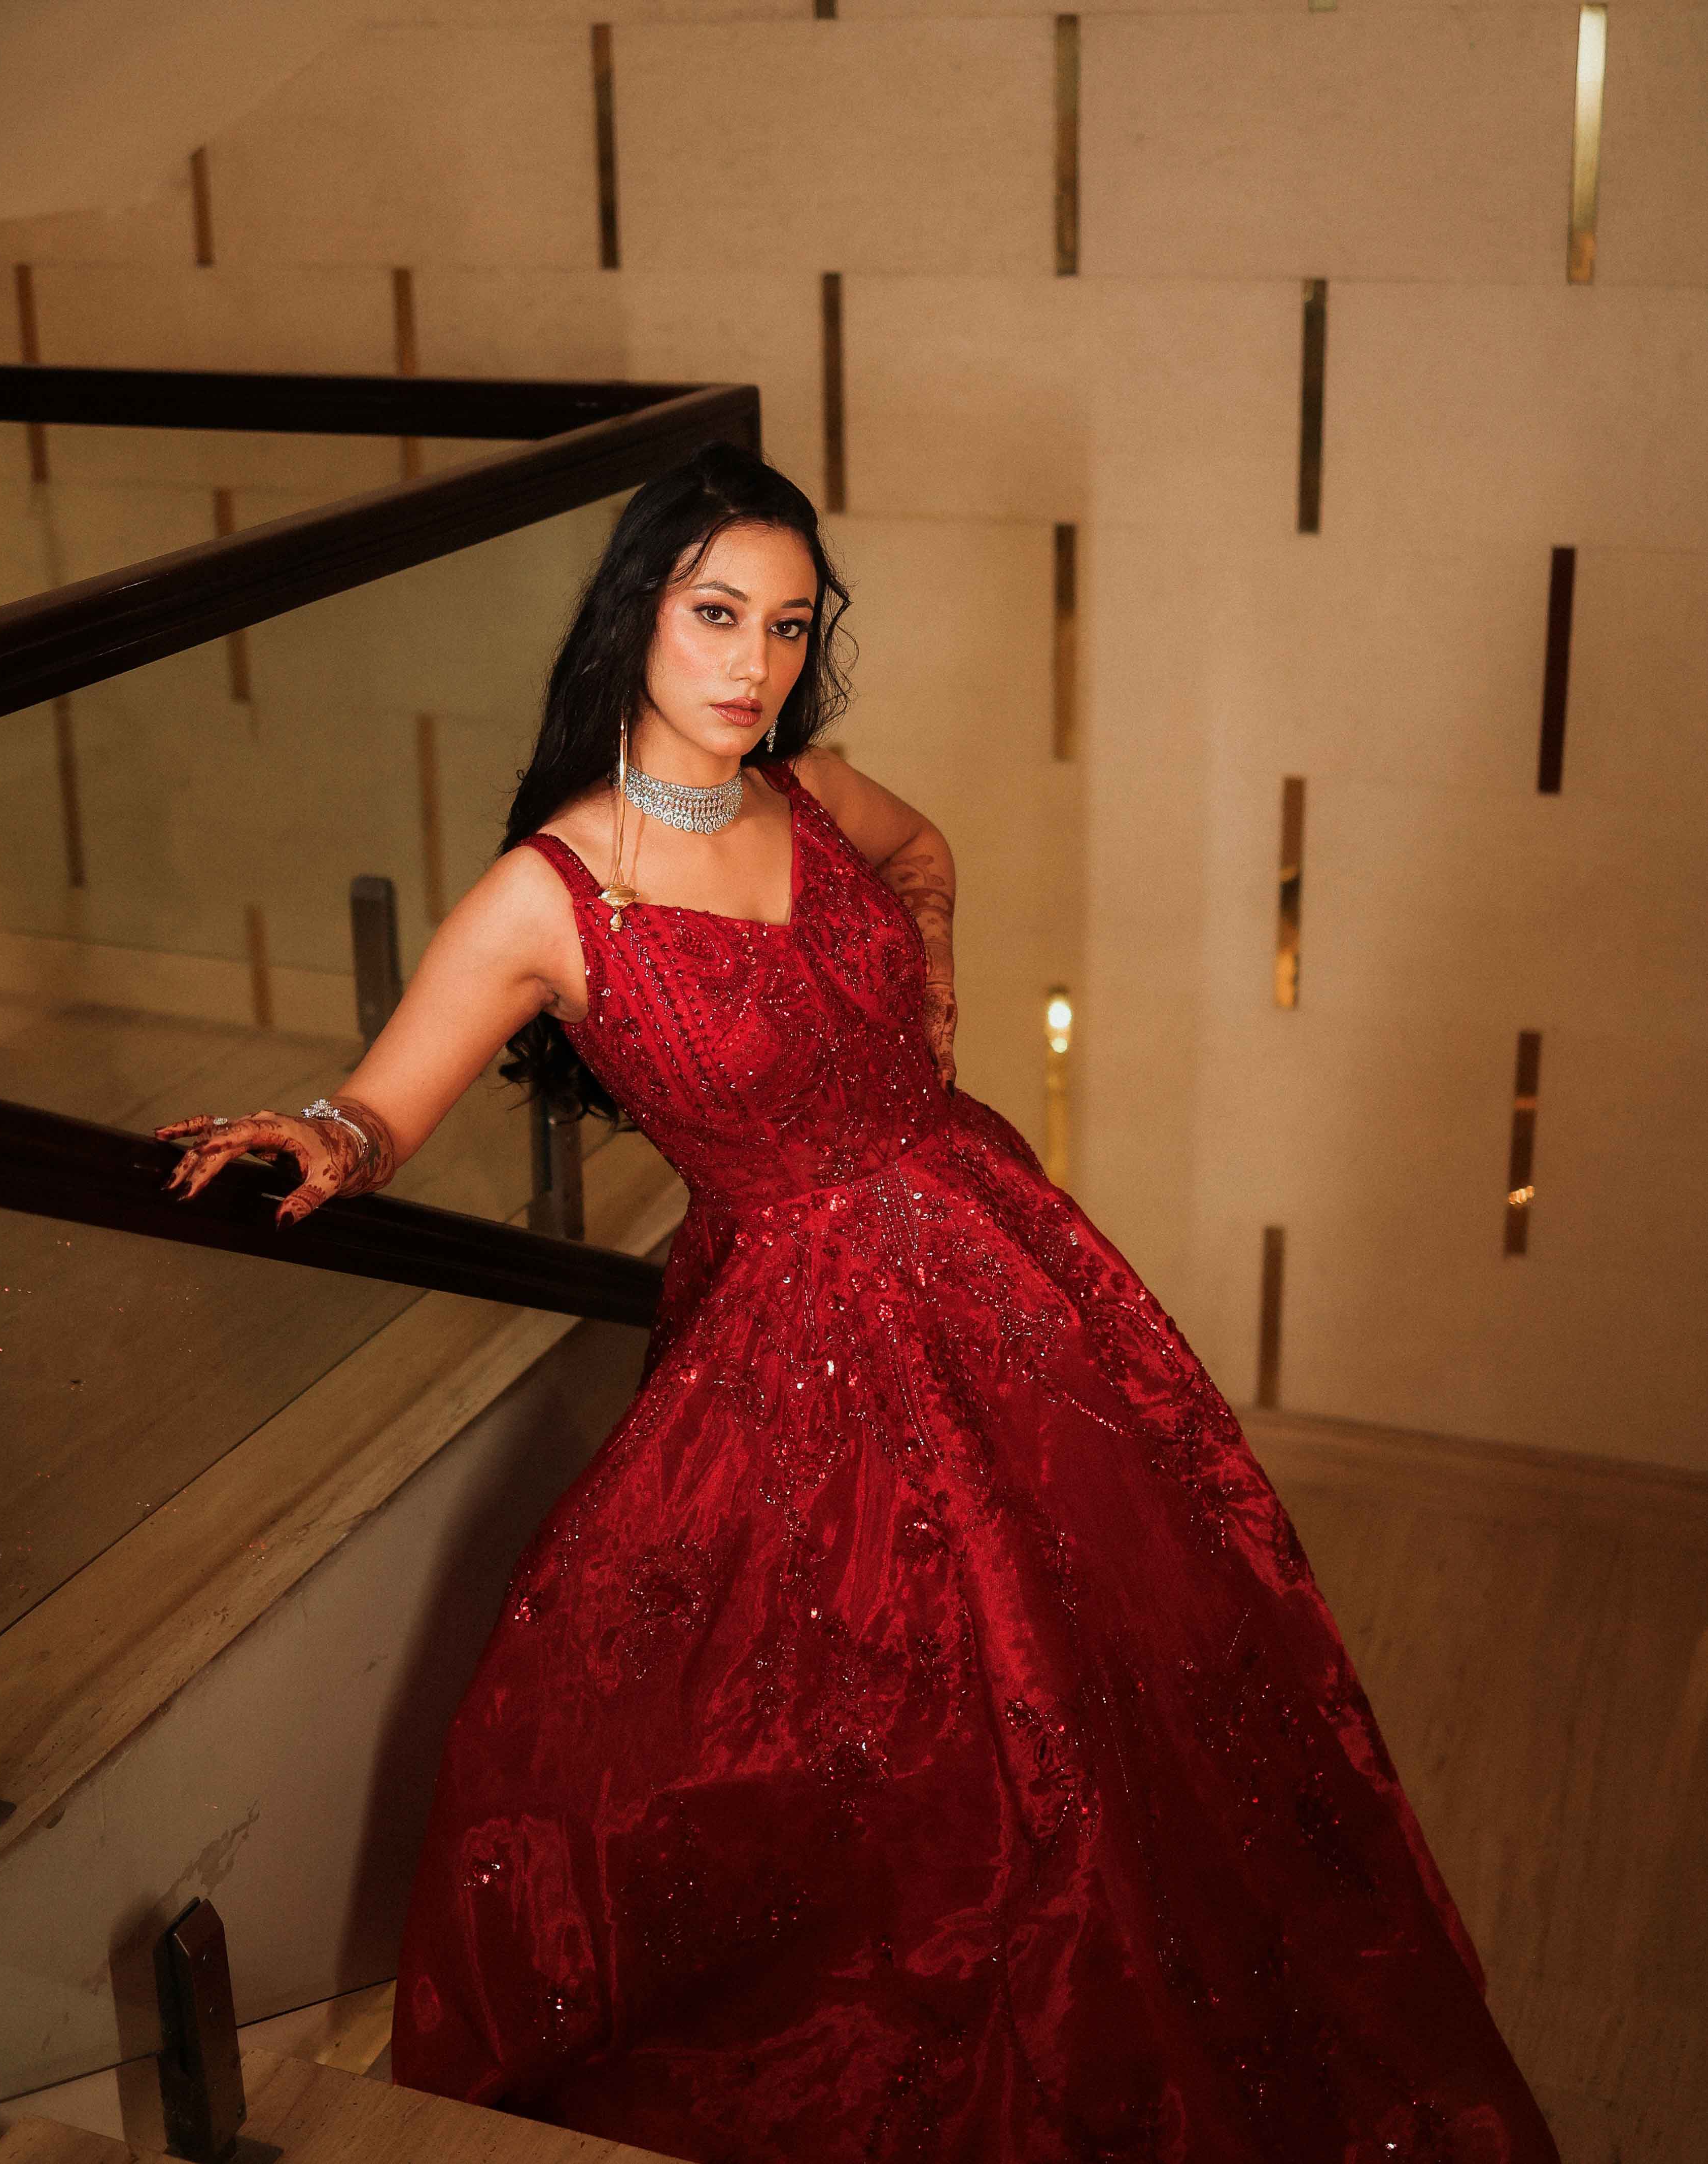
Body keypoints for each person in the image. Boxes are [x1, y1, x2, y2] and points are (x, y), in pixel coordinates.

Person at [157, 443, 1560, 2163]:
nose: (749, 662)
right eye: (714, 614)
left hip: (1000, 1256)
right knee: (811, 1722)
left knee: (1117, 1668)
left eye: (785, 624)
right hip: (797, 1332)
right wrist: (317, 1133)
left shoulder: (809, 791)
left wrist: (935, 1007)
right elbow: (382, 1102)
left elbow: (927, 853)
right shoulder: (556, 889)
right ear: (636, 620)